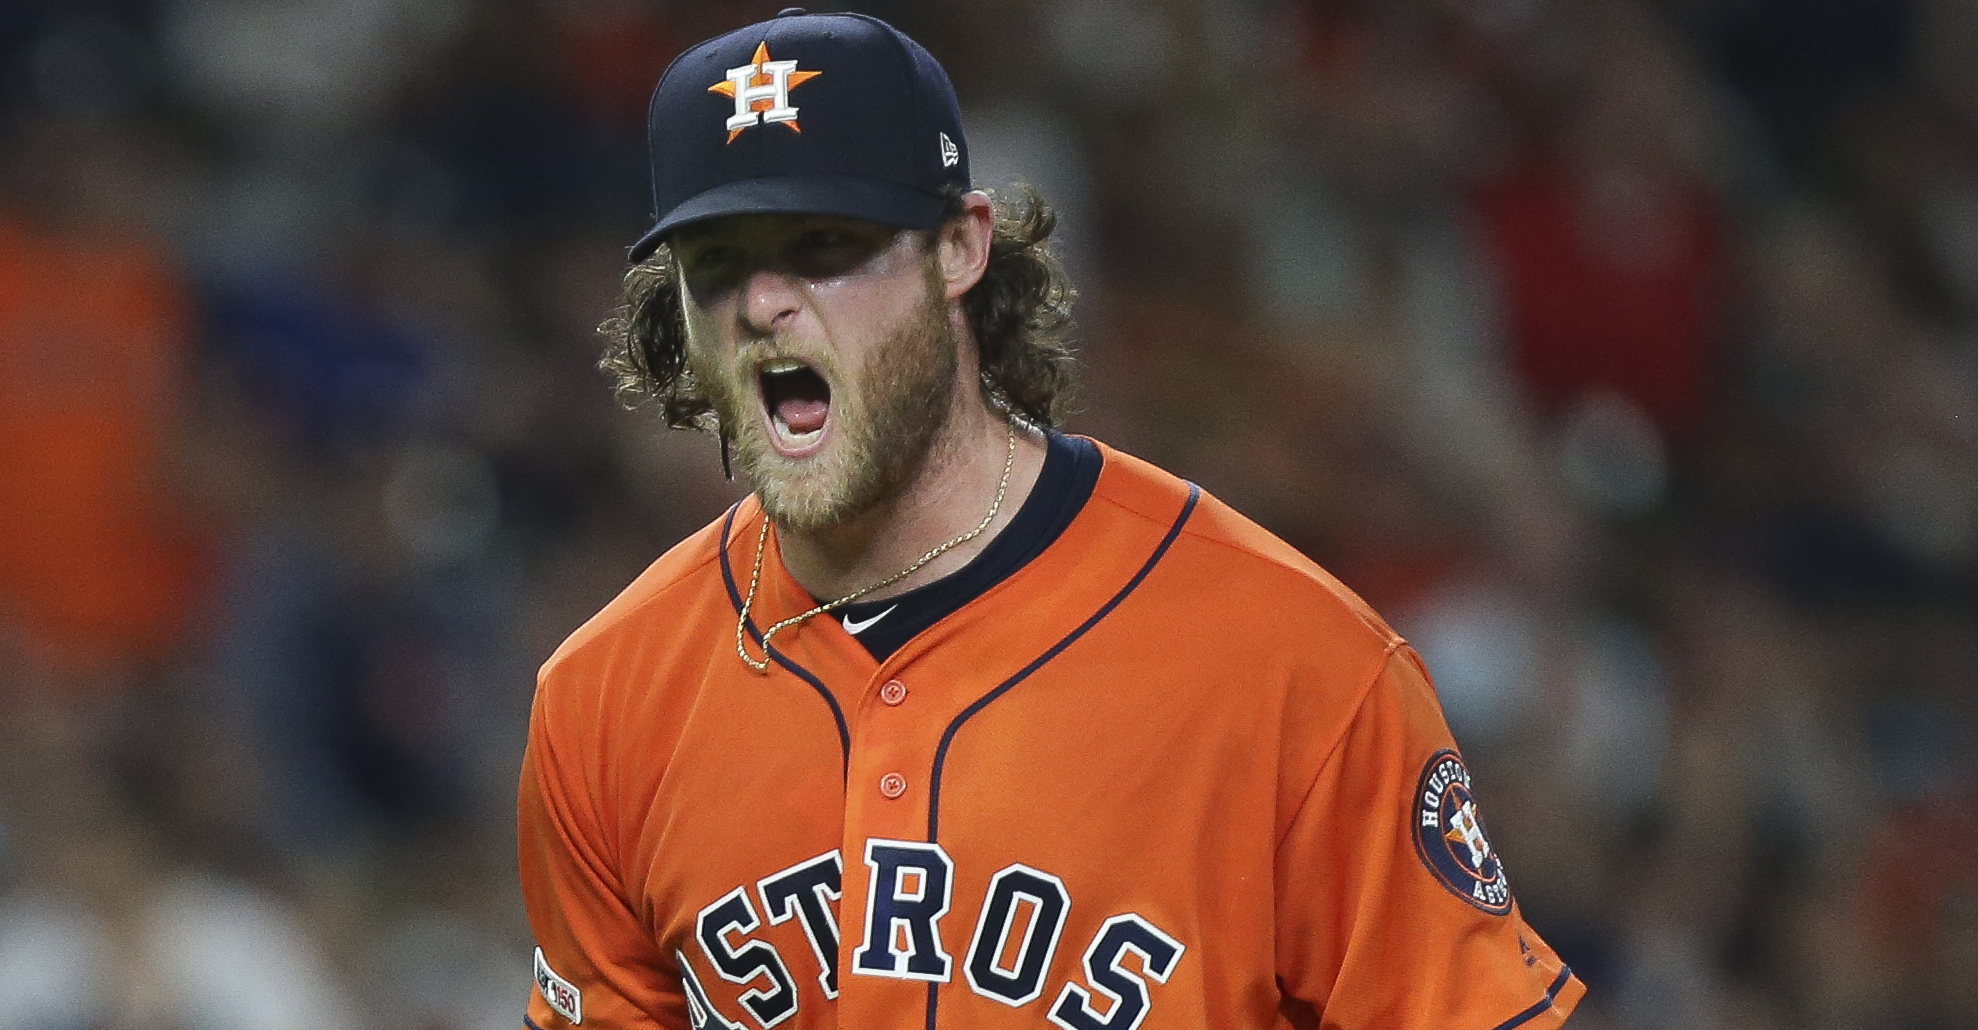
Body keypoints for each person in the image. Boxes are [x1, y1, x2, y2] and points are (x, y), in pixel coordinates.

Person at [518, 10, 1585, 1030]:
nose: (764, 303)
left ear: (959, 249)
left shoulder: (1291, 664)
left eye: (824, 244)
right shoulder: (604, 697)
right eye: (718, 262)